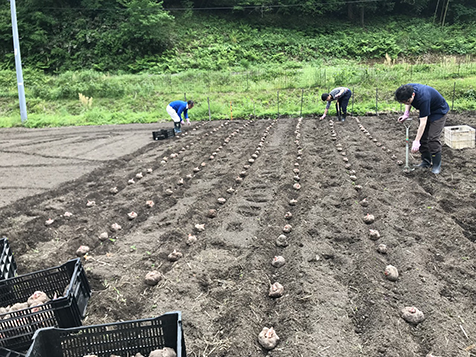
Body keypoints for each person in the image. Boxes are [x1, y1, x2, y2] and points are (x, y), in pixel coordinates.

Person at [394, 84, 449, 174]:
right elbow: (408, 102)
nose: (406, 103)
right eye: (403, 102)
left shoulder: (423, 98)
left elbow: (423, 123)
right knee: (423, 137)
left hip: (438, 112)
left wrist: (416, 141)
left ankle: (436, 165)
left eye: (407, 101)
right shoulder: (407, 89)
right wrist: (406, 113)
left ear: (413, 95)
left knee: (433, 138)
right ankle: (426, 161)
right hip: (427, 109)